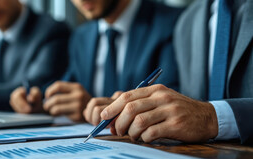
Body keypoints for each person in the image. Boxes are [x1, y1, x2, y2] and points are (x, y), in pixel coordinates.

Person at [85, 0, 253, 144]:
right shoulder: (187, 21)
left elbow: (200, 112)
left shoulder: (172, 22)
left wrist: (211, 118)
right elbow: (187, 107)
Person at [10, 0, 183, 122]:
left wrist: (93, 108)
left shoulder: (173, 23)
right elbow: (68, 87)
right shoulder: (81, 36)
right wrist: (40, 102)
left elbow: (173, 103)